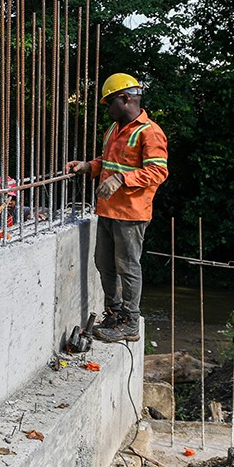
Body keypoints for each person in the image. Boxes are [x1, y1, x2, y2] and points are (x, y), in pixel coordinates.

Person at [65, 73, 168, 342]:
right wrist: (89, 166)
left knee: (128, 267)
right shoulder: (114, 129)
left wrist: (122, 179)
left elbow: (158, 171)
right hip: (108, 211)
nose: (107, 108)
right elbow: (109, 161)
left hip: (131, 214)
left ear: (124, 98)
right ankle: (115, 313)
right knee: (104, 263)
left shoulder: (149, 132)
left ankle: (130, 323)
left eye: (109, 102)